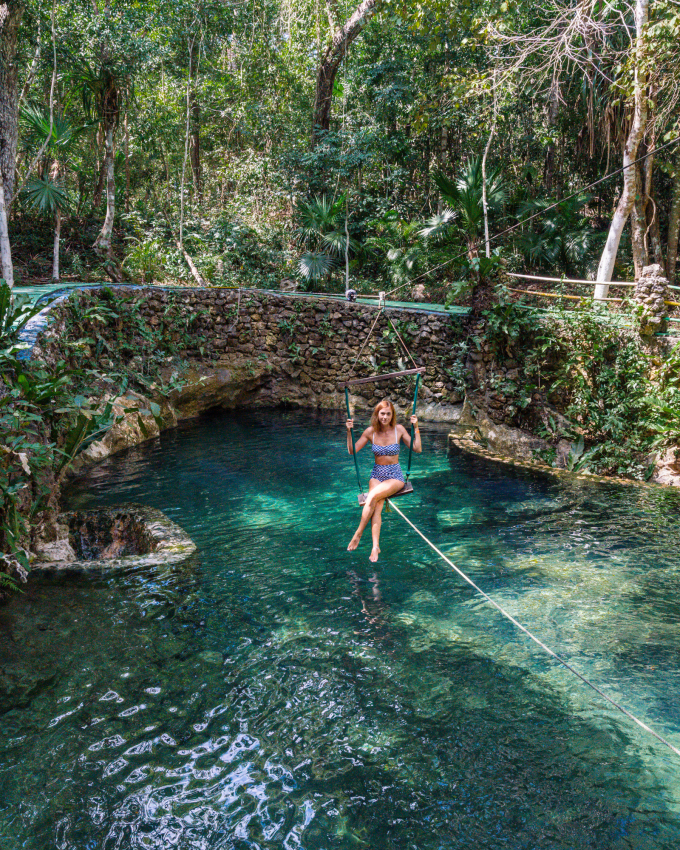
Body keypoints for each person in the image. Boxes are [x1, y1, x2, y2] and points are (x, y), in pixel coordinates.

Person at [346, 398, 421, 562]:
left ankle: (358, 534)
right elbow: (352, 451)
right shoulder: (370, 432)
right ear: (377, 414)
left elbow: (417, 448)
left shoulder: (399, 430)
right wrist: (349, 432)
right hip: (377, 474)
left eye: (388, 414)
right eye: (382, 414)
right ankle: (375, 546)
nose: (385, 417)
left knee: (372, 497)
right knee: (376, 505)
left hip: (395, 475)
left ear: (392, 415)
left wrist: (416, 427)